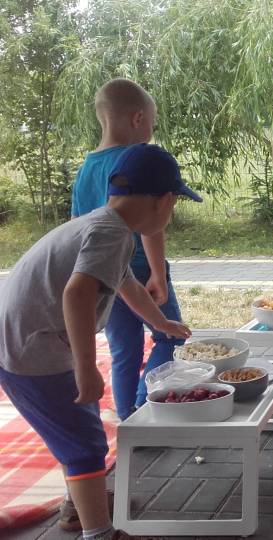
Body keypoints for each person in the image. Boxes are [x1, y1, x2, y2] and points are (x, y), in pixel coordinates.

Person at [0, 144, 200, 540]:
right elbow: (77, 294)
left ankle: (78, 505)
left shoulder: (105, 224)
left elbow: (128, 284)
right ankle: (98, 532)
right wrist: (86, 367)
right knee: (85, 444)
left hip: (25, 341)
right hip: (34, 349)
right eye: (175, 202)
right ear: (163, 201)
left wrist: (161, 322)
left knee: (74, 428)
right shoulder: (112, 233)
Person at [71, 78, 187, 420]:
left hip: (102, 273)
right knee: (169, 336)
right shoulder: (135, 159)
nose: (151, 129)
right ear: (138, 119)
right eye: (152, 122)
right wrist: (157, 274)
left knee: (124, 348)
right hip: (138, 267)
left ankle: (126, 417)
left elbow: (77, 224)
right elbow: (150, 225)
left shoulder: (86, 167)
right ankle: (144, 405)